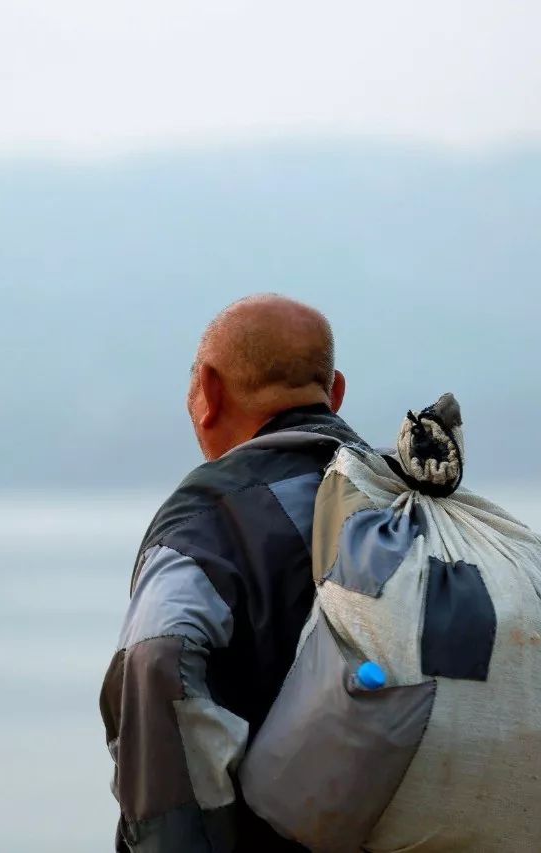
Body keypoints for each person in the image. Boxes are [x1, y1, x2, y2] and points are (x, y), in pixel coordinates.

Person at [99, 294, 360, 852]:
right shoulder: (403, 501)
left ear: (208, 394)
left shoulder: (210, 520)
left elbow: (156, 660)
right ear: (335, 394)